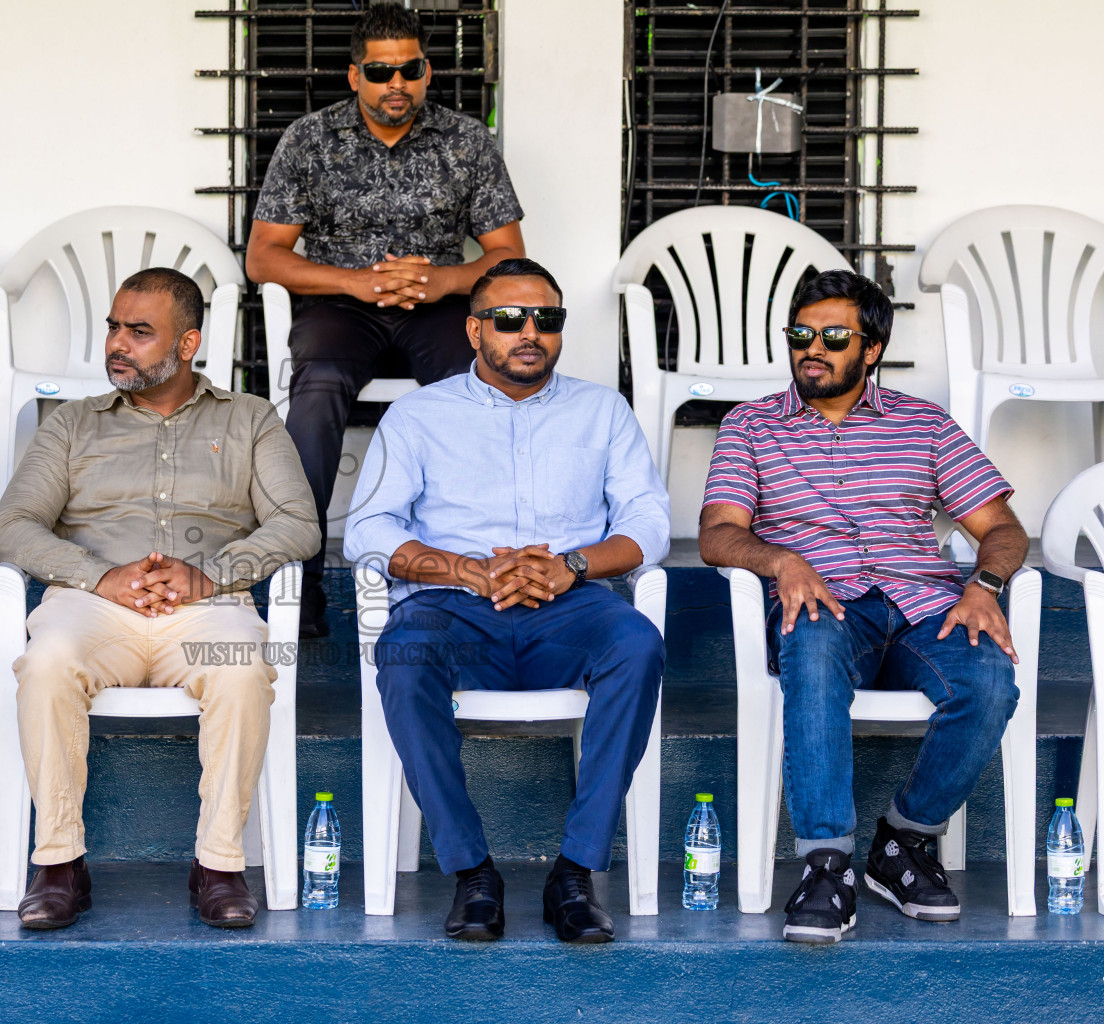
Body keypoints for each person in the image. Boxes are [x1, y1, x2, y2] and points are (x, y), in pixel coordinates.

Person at [344, 258, 670, 944]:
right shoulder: (419, 415)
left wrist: (571, 566)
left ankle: (575, 873)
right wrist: (464, 570)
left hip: (570, 608)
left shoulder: (602, 410)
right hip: (454, 608)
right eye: (509, 319)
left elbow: (648, 523)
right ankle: (472, 874)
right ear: (473, 331)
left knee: (637, 644)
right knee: (403, 652)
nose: (530, 332)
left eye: (546, 319)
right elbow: (368, 530)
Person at [699, 269, 1026, 945]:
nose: (810, 348)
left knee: (989, 679)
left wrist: (983, 587)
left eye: (833, 336)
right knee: (811, 643)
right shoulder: (751, 426)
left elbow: (1002, 530)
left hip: (922, 605)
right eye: (800, 333)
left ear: (871, 349)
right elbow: (717, 533)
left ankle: (904, 839)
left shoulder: (925, 424)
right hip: (822, 605)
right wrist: (781, 560)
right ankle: (826, 865)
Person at [0, 267, 320, 931]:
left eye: (139, 332)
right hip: (93, 606)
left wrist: (213, 573)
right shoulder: (73, 425)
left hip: (208, 604)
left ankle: (219, 864)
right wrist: (96, 574)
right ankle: (60, 863)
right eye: (115, 327)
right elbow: (11, 526)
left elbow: (298, 523)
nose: (118, 343)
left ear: (188, 343)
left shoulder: (250, 418)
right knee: (48, 662)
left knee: (240, 667)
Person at [245, 2, 526, 638]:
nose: (395, 83)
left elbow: (508, 252)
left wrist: (443, 282)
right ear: (354, 76)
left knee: (484, 391)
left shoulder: (464, 140)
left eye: (409, 69)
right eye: (379, 72)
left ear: (427, 72)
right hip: (341, 309)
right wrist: (357, 281)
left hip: (440, 308)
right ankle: (300, 580)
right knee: (313, 398)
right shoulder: (311, 139)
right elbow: (263, 258)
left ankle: (484, 568)